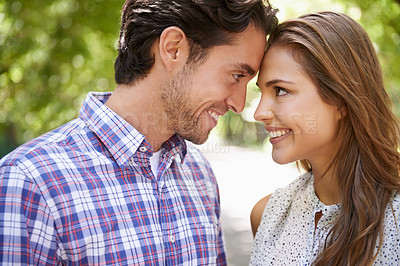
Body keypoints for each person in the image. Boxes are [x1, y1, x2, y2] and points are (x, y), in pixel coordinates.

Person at [0, 0, 278, 264]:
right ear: (173, 48)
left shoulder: (198, 173)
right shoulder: (29, 182)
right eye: (237, 76)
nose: (239, 104)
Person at [250, 11, 400, 265]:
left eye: (281, 90)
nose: (259, 113)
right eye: (262, 91)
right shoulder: (267, 215)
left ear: (341, 100)